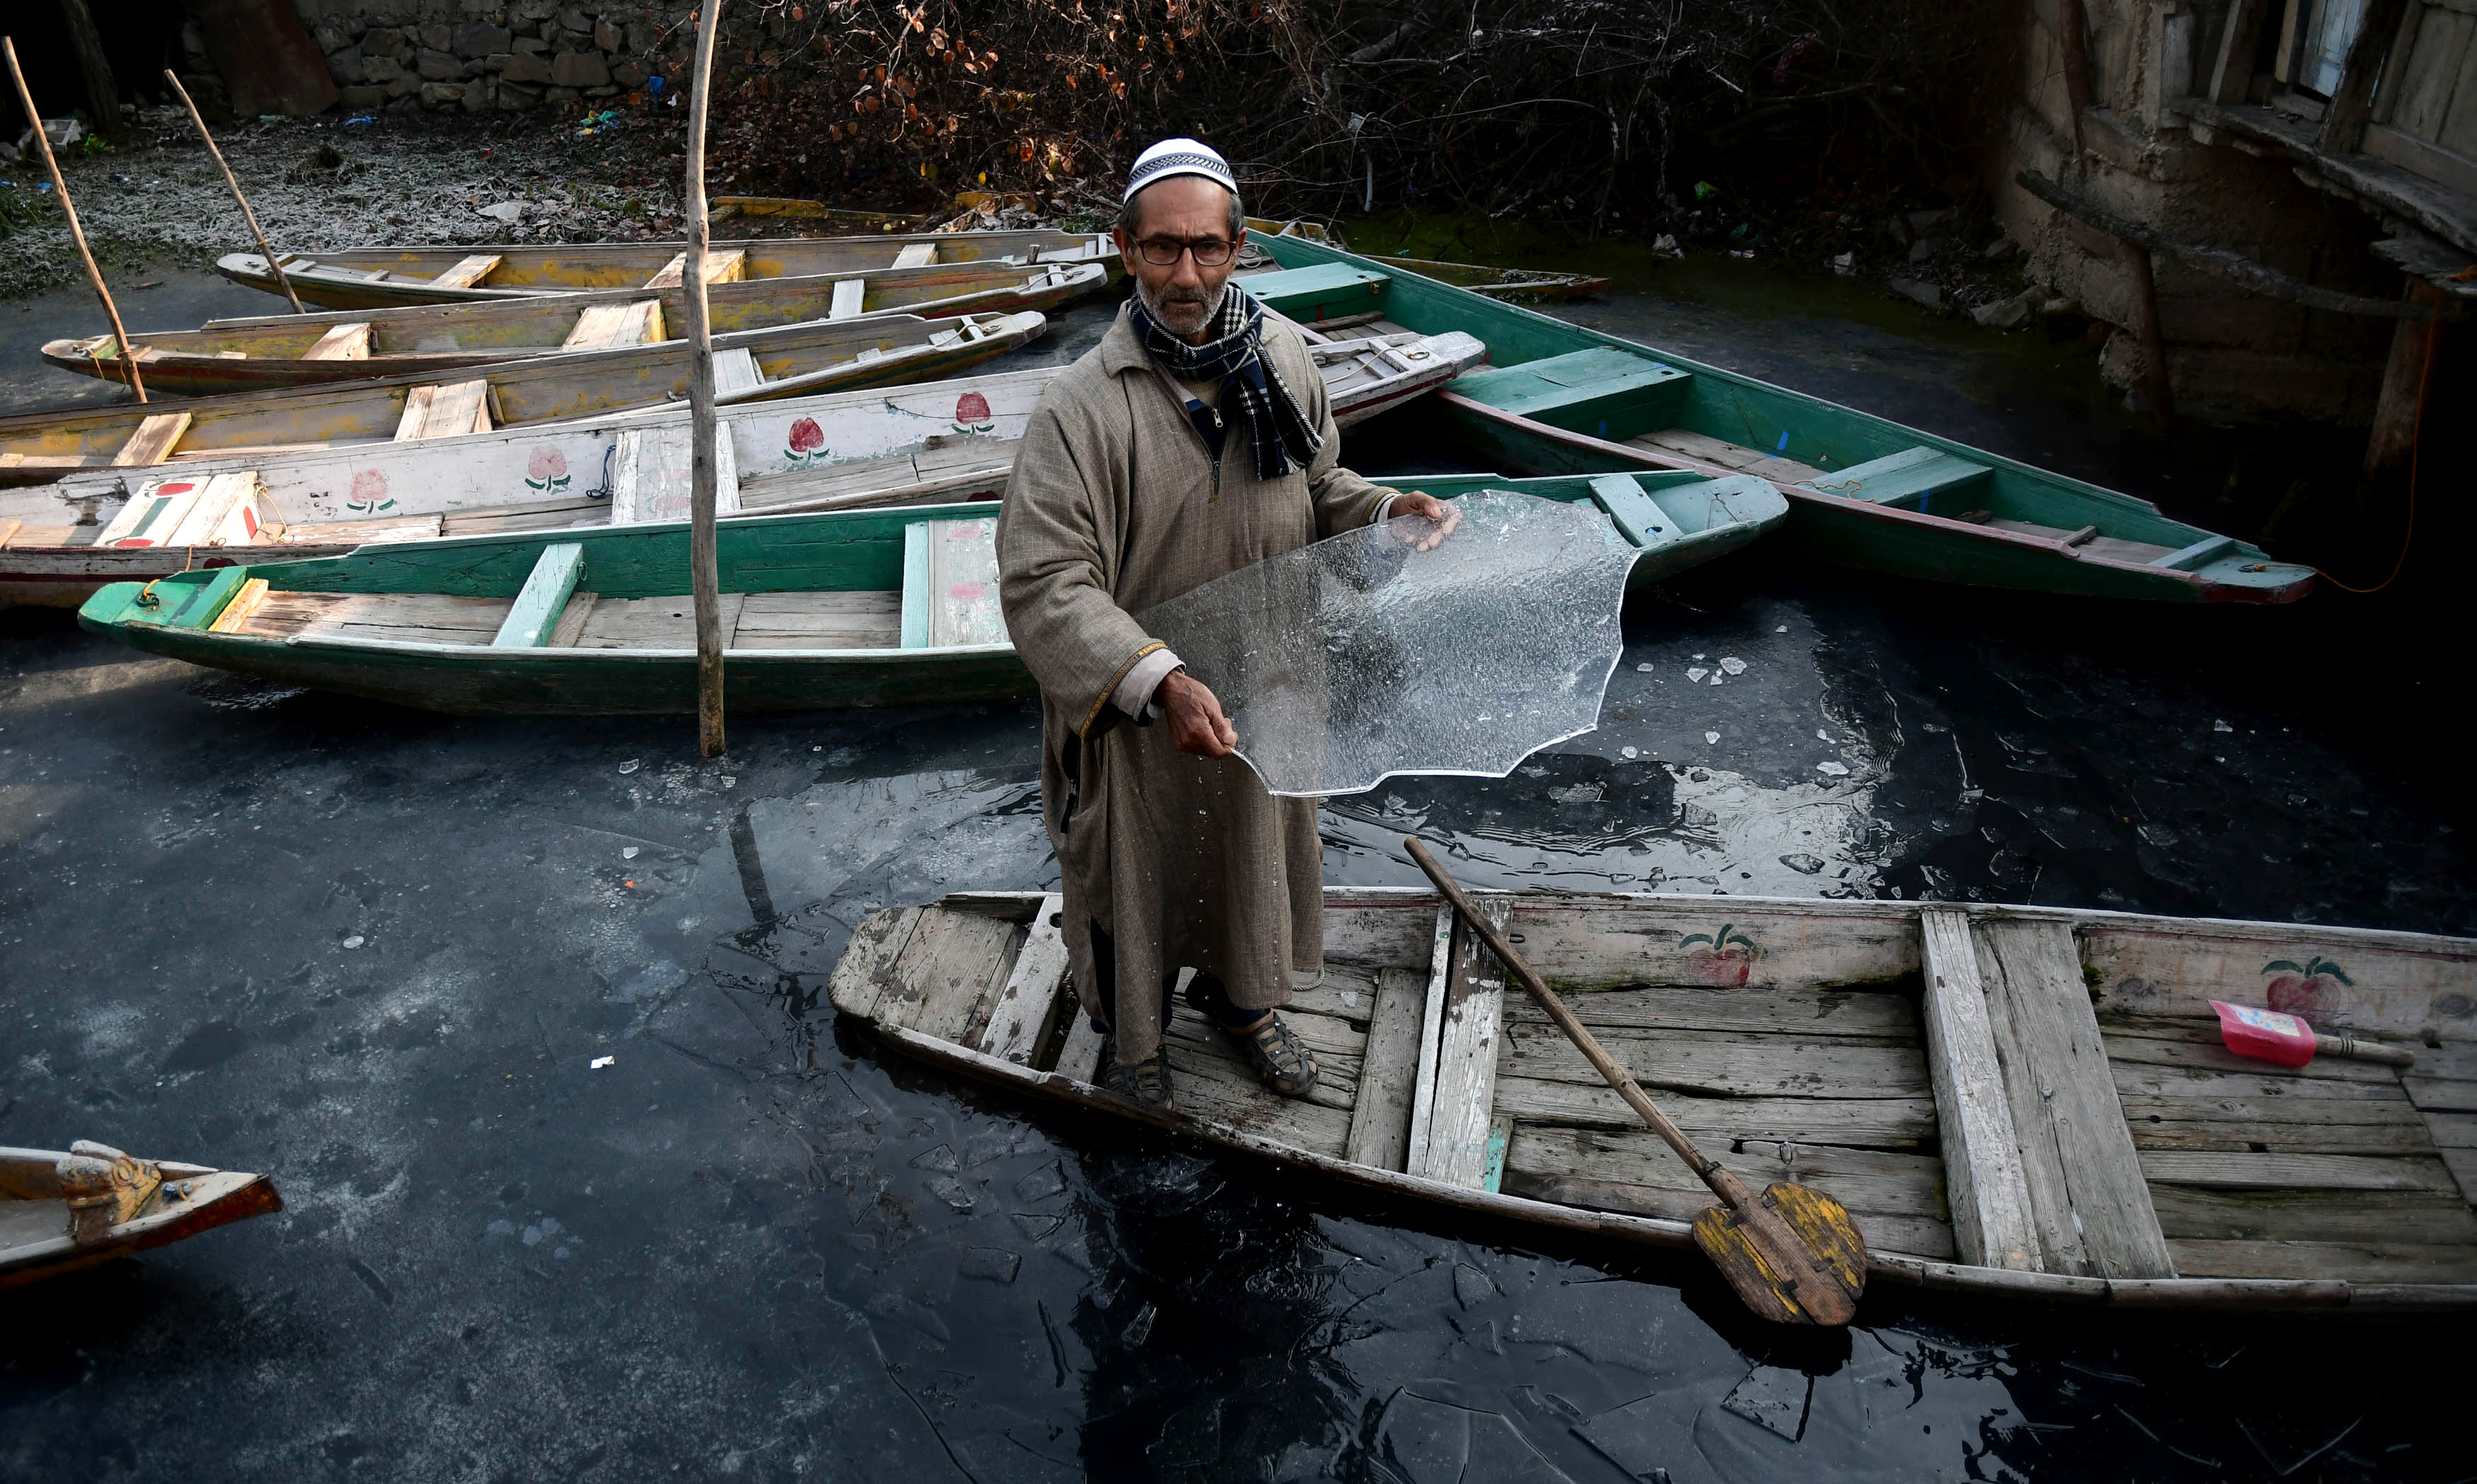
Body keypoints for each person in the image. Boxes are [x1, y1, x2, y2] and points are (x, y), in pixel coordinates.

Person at [996, 138, 1459, 1111]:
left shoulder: (1284, 358)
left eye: (1207, 248)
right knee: (1136, 873)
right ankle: (1139, 1034)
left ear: (1241, 247)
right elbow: (1046, 583)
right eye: (1162, 250)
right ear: (1124, 249)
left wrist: (1385, 516)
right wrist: (1157, 678)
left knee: (1252, 861)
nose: (1187, 274)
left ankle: (1244, 1004)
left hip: (1271, 684)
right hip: (1138, 717)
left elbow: (1321, 485)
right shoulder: (1079, 409)